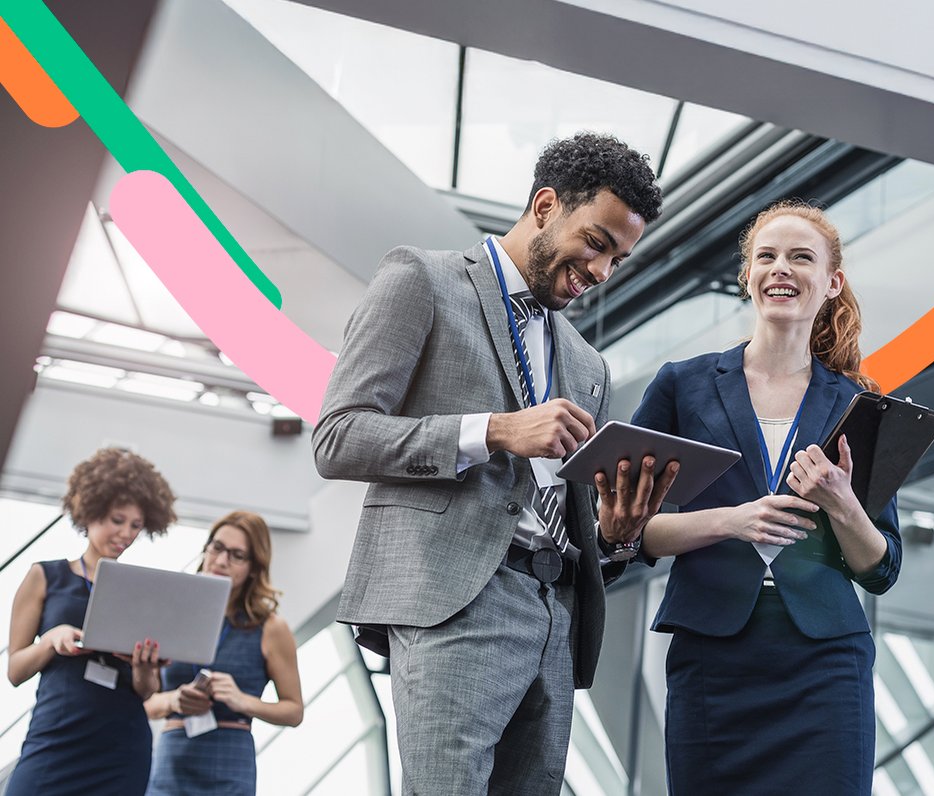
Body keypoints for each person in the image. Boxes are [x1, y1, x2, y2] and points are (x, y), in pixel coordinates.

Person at [312, 131, 677, 795]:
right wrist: (496, 431)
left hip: (554, 611)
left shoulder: (588, 365)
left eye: (618, 259)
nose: (602, 272)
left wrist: (617, 534)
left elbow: (572, 517)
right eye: (596, 243)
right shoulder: (421, 280)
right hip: (455, 600)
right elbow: (339, 437)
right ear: (545, 206)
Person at [631, 200, 903, 795]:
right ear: (747, 276)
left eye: (801, 257)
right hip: (713, 654)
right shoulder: (682, 385)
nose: (781, 267)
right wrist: (733, 521)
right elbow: (625, 532)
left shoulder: (859, 404)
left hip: (826, 663)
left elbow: (881, 568)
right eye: (767, 256)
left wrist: (842, 501)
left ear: (832, 283)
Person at [5, 448, 176, 795]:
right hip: (55, 738)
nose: (126, 533)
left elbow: (146, 690)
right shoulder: (45, 576)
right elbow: (15, 671)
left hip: (121, 749)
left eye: (136, 525)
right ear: (90, 511)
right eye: (117, 520)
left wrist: (144, 667)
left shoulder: (141, 593)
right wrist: (51, 640)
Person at [145, 511, 303, 795]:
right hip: (171, 763)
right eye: (216, 547)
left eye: (236, 555)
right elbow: (146, 705)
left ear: (253, 567)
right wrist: (174, 699)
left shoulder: (270, 628)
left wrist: (243, 701)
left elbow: (294, 711)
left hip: (230, 765)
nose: (220, 561)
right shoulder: (171, 616)